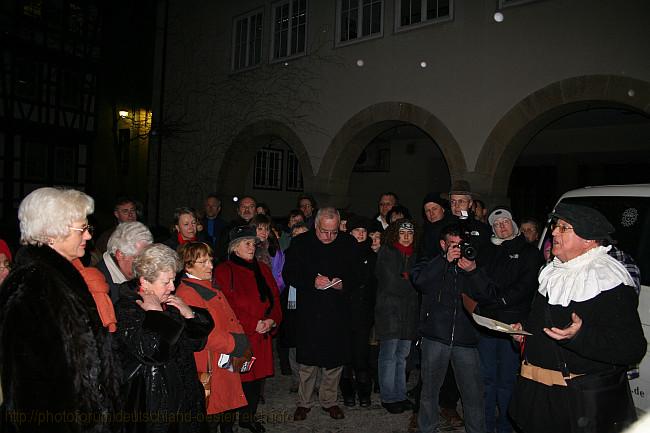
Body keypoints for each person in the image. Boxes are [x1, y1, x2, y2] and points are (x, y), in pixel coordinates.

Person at [509, 203, 646, 433]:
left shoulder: (608, 280)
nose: (553, 232)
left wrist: (580, 336)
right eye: (555, 226)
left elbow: (632, 348)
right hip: (537, 397)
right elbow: (544, 328)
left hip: (576, 404)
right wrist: (524, 334)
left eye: (564, 228)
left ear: (589, 240)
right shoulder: (553, 273)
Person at [0, 187, 121, 432]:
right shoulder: (31, 286)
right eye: (82, 229)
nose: (88, 237)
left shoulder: (62, 277)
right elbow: (28, 388)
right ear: (52, 233)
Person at [114, 243, 214, 433]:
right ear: (144, 281)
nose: (173, 287)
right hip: (155, 407)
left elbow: (195, 344)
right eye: (166, 282)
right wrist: (155, 315)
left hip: (186, 400)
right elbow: (152, 352)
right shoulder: (127, 310)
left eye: (174, 280)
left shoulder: (169, 305)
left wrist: (190, 315)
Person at [468, 208, 543, 433]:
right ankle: (486, 424)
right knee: (486, 379)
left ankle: (506, 426)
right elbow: (478, 280)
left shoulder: (530, 252)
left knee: (508, 380)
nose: (502, 227)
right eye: (496, 224)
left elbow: (526, 285)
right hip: (487, 324)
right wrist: (485, 302)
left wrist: (498, 300)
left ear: (514, 224)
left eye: (505, 222)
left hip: (513, 326)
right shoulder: (487, 251)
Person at [283, 207, 359, 421]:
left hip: (337, 310)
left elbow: (358, 274)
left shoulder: (348, 243)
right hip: (310, 310)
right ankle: (304, 402)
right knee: (308, 361)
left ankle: (329, 401)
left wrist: (343, 284)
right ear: (316, 226)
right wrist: (311, 281)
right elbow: (289, 273)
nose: (329, 236)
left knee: (334, 360)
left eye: (334, 232)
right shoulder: (301, 243)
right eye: (325, 231)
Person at [411, 224, 487, 433]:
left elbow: (488, 295)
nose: (457, 249)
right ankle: (427, 429)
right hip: (435, 337)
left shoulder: (469, 264)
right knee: (429, 392)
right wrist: (444, 261)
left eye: (460, 245)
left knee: (473, 393)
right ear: (443, 244)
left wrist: (472, 271)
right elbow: (420, 281)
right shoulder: (431, 262)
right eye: (452, 245)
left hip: (466, 339)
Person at [175, 242, 252, 433]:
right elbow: (202, 333)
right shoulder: (188, 293)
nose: (210, 266)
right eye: (203, 262)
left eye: (210, 260)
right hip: (210, 364)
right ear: (188, 265)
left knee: (226, 411)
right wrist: (236, 343)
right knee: (211, 414)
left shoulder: (207, 286)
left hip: (223, 362)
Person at [215, 226, 282, 433]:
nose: (252, 247)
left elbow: (275, 299)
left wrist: (271, 321)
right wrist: (253, 323)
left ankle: (247, 418)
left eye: (253, 243)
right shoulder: (224, 270)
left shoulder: (262, 268)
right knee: (233, 381)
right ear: (235, 247)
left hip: (261, 336)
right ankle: (226, 423)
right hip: (239, 337)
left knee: (255, 381)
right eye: (247, 243)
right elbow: (226, 305)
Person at [375, 219, 419, 415]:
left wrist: (409, 279)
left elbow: (420, 281)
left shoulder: (415, 255)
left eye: (410, 233)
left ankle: (400, 395)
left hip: (409, 314)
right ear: (395, 234)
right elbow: (391, 283)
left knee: (402, 357)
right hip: (390, 312)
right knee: (389, 357)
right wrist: (411, 281)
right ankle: (388, 397)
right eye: (402, 233)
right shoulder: (387, 252)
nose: (407, 236)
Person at [339, 215, 377, 408]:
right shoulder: (342, 254)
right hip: (345, 311)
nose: (360, 234)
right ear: (350, 233)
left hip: (364, 312)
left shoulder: (373, 255)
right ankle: (347, 391)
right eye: (357, 231)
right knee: (346, 354)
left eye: (363, 231)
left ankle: (364, 392)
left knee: (361, 354)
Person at [96, 221, 153, 303]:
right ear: (120, 255)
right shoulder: (101, 286)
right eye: (140, 258)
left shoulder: (132, 275)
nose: (147, 264)